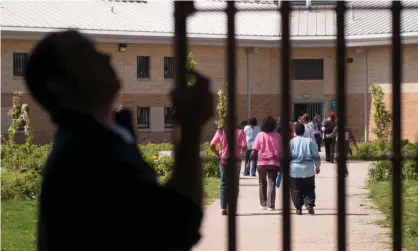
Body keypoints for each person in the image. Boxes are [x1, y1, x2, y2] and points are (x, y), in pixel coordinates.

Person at [25, 30, 213, 251]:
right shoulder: (85, 156)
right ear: (58, 84)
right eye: (86, 53)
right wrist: (190, 127)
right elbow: (173, 228)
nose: (106, 57)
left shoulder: (100, 140)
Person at [210, 115, 247, 215]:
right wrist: (242, 153)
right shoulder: (239, 132)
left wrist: (218, 153)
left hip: (224, 160)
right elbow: (244, 146)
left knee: (224, 183)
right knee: (235, 185)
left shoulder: (220, 131)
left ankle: (223, 208)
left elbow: (212, 145)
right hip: (236, 161)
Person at [247, 116, 282, 211]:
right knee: (272, 183)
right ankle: (271, 205)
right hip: (273, 162)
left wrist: (248, 162)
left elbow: (254, 151)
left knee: (262, 183)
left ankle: (263, 204)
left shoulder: (259, 135)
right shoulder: (278, 136)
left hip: (261, 163)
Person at [289, 123, 321, 215]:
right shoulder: (310, 141)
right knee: (309, 188)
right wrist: (317, 166)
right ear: (304, 131)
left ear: (295, 131)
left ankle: (298, 208)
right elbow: (316, 155)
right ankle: (309, 204)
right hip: (308, 169)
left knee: (295, 189)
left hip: (294, 170)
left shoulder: (291, 142)